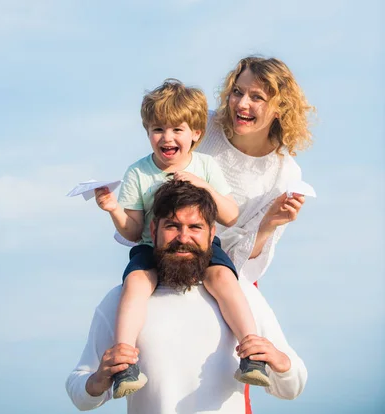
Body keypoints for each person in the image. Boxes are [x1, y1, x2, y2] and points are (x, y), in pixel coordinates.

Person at [66, 180, 307, 414]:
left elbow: (292, 386)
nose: (183, 238)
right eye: (172, 226)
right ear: (153, 231)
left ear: (212, 233)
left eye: (195, 227)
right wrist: (98, 381)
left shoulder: (241, 293)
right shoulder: (123, 299)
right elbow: (80, 393)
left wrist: (279, 361)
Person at [93, 79, 268, 399]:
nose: (167, 137)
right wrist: (113, 209)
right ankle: (125, 363)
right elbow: (132, 231)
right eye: (158, 129)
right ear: (148, 132)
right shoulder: (138, 173)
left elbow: (230, 215)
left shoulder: (206, 165)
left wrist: (204, 186)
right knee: (134, 286)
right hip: (152, 246)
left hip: (200, 247)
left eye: (177, 129)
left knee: (225, 279)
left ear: (196, 134)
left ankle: (252, 353)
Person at [196, 56, 314, 285]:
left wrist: (268, 224)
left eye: (257, 97)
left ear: (280, 109)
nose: (241, 104)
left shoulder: (286, 174)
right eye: (238, 92)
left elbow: (244, 258)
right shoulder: (203, 125)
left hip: (226, 273)